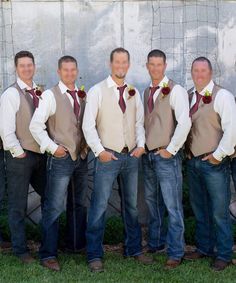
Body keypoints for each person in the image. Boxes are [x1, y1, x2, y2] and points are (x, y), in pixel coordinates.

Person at [83, 47, 153, 272]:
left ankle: (133, 248)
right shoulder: (97, 91)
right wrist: (99, 151)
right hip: (107, 156)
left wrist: (141, 145)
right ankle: (94, 253)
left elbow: (139, 123)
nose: (121, 66)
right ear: (110, 64)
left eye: (125, 62)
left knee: (131, 206)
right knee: (99, 205)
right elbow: (88, 125)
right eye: (117, 62)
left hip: (131, 156)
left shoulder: (133, 91)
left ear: (128, 65)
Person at [30, 55, 88, 271]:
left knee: (79, 204)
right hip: (61, 159)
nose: (70, 73)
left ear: (77, 71)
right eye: (66, 70)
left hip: (81, 158)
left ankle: (75, 244)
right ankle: (48, 253)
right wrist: (53, 148)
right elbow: (36, 126)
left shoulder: (83, 94)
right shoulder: (50, 96)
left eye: (73, 70)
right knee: (53, 206)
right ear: (59, 72)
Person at [184, 57, 236, 271]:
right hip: (193, 162)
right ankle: (204, 247)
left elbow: (232, 129)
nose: (199, 74)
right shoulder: (188, 96)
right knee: (200, 209)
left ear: (211, 72)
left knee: (219, 211)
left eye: (203, 70)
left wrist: (218, 155)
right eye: (195, 70)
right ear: (192, 72)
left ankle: (223, 253)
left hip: (214, 163)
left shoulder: (222, 95)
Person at [142, 49, 191, 269]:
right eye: (151, 64)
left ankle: (176, 251)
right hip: (149, 157)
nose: (155, 68)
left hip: (167, 156)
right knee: (152, 203)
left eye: (159, 64)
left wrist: (170, 150)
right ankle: (156, 242)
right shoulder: (145, 92)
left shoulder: (176, 90)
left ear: (165, 65)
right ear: (147, 66)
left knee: (172, 206)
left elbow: (185, 123)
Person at [0, 51, 46, 263]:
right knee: (18, 205)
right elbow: (5, 129)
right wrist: (18, 152)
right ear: (16, 69)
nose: (27, 69)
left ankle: (48, 245)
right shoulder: (10, 94)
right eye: (22, 66)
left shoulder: (40, 91)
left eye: (30, 65)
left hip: (40, 156)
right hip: (20, 157)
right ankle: (20, 250)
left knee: (50, 198)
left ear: (34, 66)